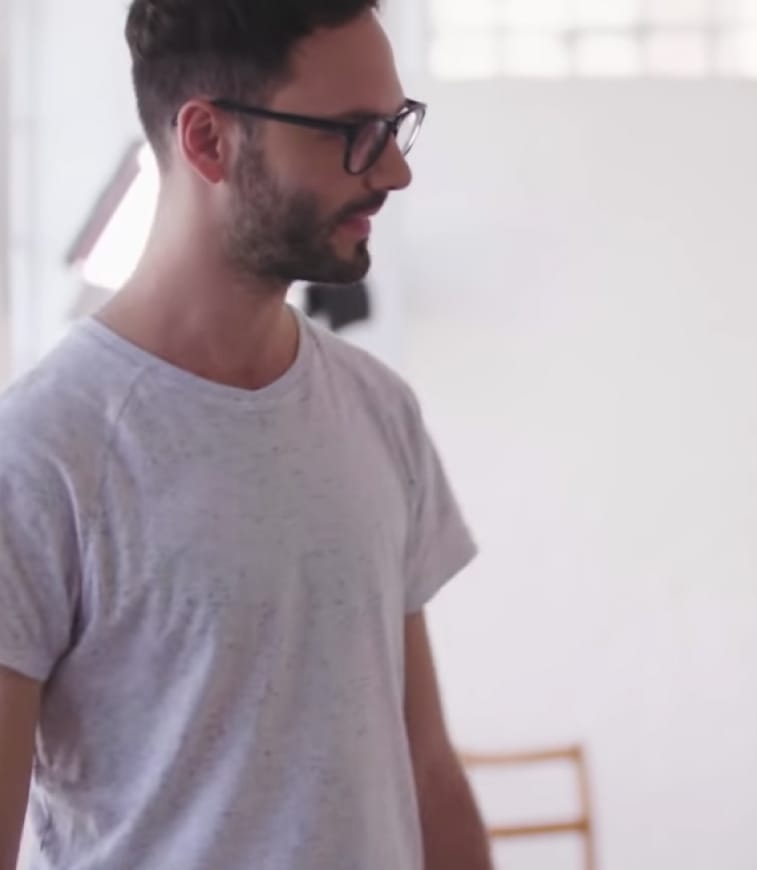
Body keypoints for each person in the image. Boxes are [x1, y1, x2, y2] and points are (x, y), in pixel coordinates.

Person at [0, 2, 493, 868]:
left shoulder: (380, 412)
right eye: (350, 132)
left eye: (393, 128)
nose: (393, 174)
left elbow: (427, 776)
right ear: (207, 141)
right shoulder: (42, 454)